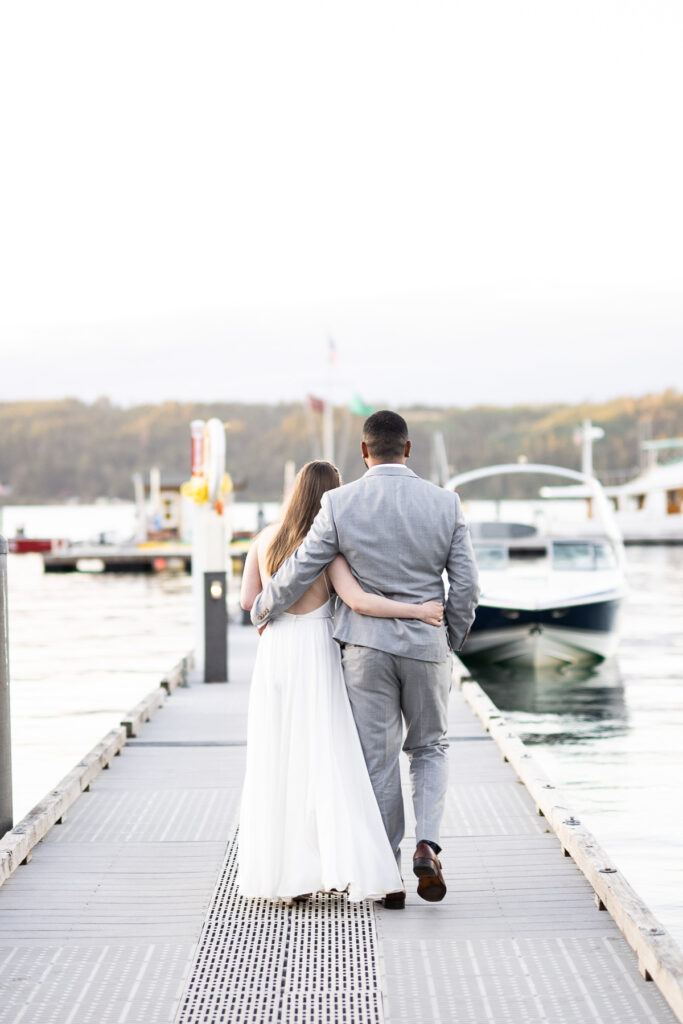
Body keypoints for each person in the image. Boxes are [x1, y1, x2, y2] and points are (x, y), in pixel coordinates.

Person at [251, 411, 479, 909]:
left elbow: (304, 564)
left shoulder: (339, 502)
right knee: (430, 749)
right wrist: (452, 637)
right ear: (409, 448)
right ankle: (428, 844)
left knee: (376, 762)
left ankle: (388, 877)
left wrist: (265, 605)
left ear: (363, 451)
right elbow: (466, 585)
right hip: (424, 645)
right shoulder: (446, 503)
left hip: (365, 653)